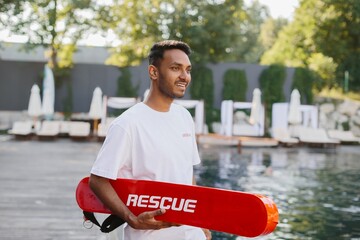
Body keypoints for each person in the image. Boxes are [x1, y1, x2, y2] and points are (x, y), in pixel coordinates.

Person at [89, 40, 211, 240]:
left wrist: (201, 223)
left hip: (191, 233)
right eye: (175, 68)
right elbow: (98, 180)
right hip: (150, 235)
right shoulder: (127, 124)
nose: (184, 76)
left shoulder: (184, 117)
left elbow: (187, 175)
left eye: (188, 70)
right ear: (153, 72)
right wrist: (131, 218)